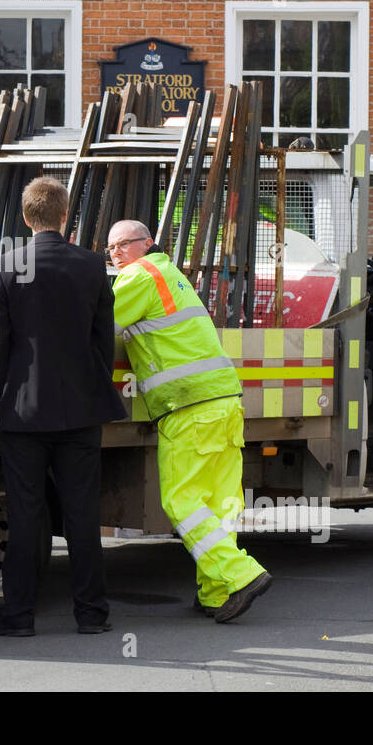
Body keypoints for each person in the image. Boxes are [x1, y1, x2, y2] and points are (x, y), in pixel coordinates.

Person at [0, 176, 126, 636]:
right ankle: (92, 615)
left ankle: (19, 618)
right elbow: (104, 341)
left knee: (25, 517)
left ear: (25, 217)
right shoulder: (90, 267)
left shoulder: (6, 266)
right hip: (81, 412)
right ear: (66, 217)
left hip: (23, 413)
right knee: (83, 516)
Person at [107, 219, 272, 623]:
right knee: (217, 506)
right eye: (110, 249)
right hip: (224, 401)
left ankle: (241, 573)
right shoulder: (172, 275)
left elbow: (100, 323)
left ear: (146, 244)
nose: (115, 255)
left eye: (122, 245)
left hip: (188, 407)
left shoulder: (140, 275)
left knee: (180, 502)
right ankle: (217, 592)